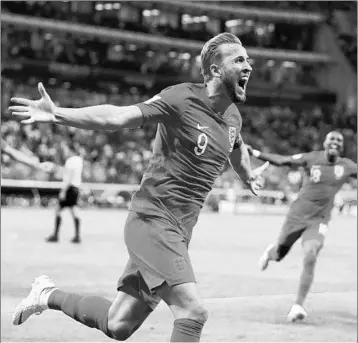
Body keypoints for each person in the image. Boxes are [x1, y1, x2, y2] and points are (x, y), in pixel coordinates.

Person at [10, 33, 269, 342]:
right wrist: (58, 114)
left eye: (247, 60)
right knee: (193, 312)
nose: (248, 66)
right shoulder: (181, 98)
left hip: (179, 232)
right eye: (239, 60)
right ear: (215, 69)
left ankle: (46, 294)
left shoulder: (233, 117)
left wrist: (248, 176)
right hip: (152, 222)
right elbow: (119, 116)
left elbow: (236, 144)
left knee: (118, 324)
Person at [246, 131, 357, 322]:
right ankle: (270, 252)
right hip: (296, 217)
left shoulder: (347, 166)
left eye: (339, 140)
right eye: (332, 138)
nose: (335, 142)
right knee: (279, 255)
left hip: (319, 220)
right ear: (325, 142)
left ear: (342, 146)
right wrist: (255, 153)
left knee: (311, 254)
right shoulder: (310, 158)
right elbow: (281, 160)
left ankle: (298, 305)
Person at [44, 144, 83, 244]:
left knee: (58, 210)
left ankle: (55, 235)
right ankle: (77, 236)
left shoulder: (70, 161)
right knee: (74, 210)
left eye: (66, 150)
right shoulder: (79, 160)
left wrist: (63, 191)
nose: (65, 152)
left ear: (71, 150)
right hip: (76, 188)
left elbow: (67, 178)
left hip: (69, 188)